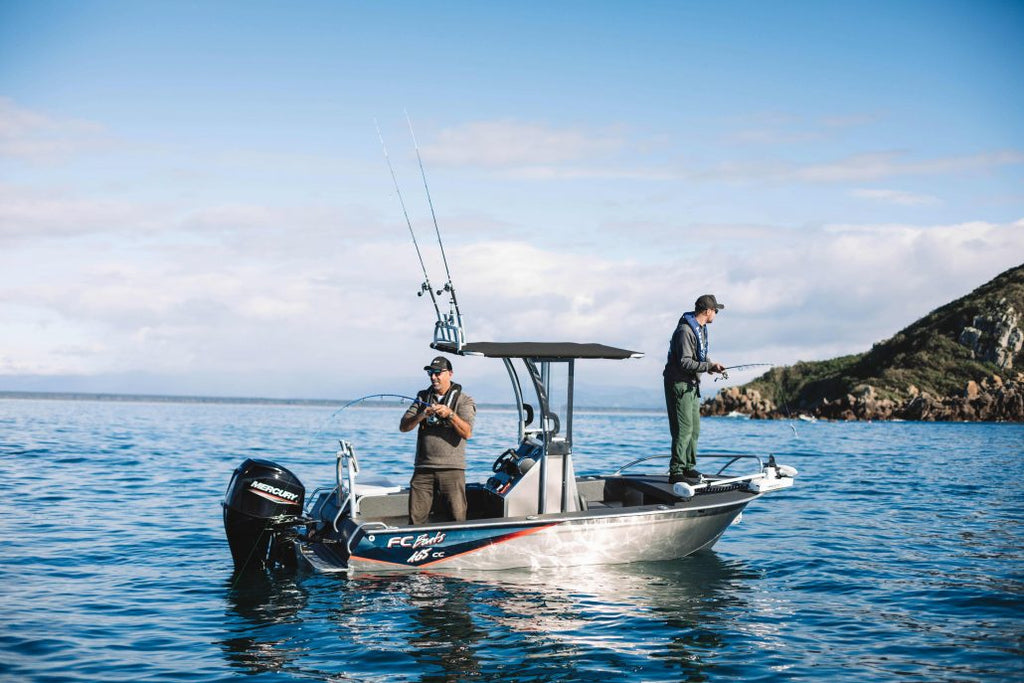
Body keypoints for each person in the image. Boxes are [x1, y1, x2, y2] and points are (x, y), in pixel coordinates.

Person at [400, 356, 476, 524]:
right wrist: (422, 414)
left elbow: (467, 433)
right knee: (416, 519)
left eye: (437, 373)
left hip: (452, 469)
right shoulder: (421, 398)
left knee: (457, 518)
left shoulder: (464, 400)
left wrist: (450, 415)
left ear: (450, 373)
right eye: (430, 373)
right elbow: (404, 427)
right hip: (423, 469)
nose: (433, 377)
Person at [663, 294, 726, 484]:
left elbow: (701, 356)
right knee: (684, 429)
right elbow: (684, 362)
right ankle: (676, 471)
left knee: (694, 429)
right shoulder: (685, 331)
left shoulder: (701, 328)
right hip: (679, 385)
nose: (716, 313)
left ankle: (688, 466)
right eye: (715, 310)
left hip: (691, 385)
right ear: (707, 311)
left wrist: (712, 365)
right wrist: (707, 367)